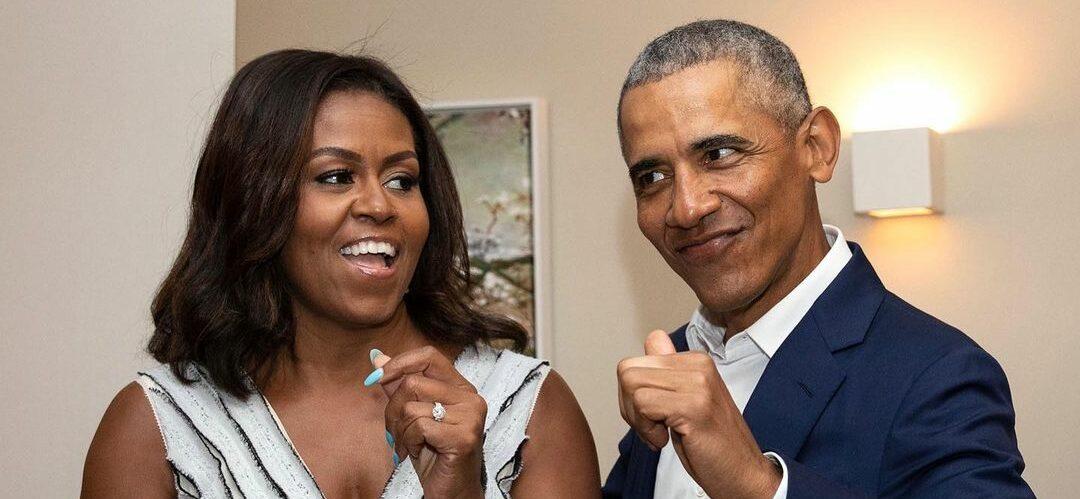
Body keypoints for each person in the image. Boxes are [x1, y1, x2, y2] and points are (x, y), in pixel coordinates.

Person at [81, 49, 601, 498]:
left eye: (402, 180)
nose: (379, 204)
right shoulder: (159, 427)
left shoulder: (527, 408)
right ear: (253, 201)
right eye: (335, 176)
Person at [603, 20, 1033, 498]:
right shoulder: (669, 367)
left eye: (719, 153)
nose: (686, 207)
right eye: (653, 177)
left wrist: (757, 486)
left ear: (817, 147)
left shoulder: (937, 375)